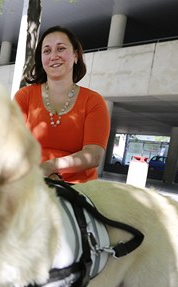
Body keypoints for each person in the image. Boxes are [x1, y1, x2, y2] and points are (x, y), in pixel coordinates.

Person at [14, 26, 110, 184]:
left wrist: (50, 167)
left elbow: (93, 155)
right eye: (47, 51)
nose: (53, 56)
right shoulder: (24, 96)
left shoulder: (94, 101)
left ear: (75, 56)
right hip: (30, 182)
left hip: (80, 191)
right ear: (41, 59)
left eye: (61, 49)